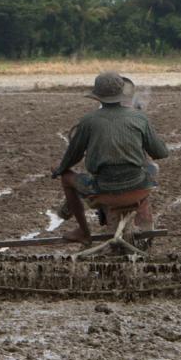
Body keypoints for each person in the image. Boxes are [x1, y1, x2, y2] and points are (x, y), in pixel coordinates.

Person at [51, 72, 169, 243]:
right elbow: (161, 153)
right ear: (123, 94)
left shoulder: (88, 121)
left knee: (67, 178)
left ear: (97, 97)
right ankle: (145, 225)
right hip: (139, 188)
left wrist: (59, 170)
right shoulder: (140, 118)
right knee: (152, 168)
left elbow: (73, 156)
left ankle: (83, 232)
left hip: (103, 189)